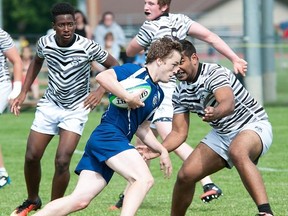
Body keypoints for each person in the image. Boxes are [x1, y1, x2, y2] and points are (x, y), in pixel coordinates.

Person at [110, 0, 248, 209]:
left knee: (169, 137)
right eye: (145, 2)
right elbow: (210, 37)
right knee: (145, 136)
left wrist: (142, 44)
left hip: (162, 91)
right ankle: (127, 194)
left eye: (151, 3)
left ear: (164, 6)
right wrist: (234, 58)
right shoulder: (181, 21)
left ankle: (207, 183)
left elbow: (130, 49)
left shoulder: (150, 27)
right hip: (172, 86)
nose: (146, 6)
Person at [32, 36, 179, 216]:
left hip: (110, 140)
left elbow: (142, 128)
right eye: (174, 64)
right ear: (160, 61)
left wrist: (162, 150)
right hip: (109, 135)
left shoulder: (158, 93)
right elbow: (103, 76)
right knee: (143, 179)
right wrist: (127, 96)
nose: (177, 70)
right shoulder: (134, 71)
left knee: (79, 200)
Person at [141, 39, 274, 216]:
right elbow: (179, 133)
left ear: (194, 58)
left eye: (181, 62)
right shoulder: (180, 92)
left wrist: (216, 111)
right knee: (185, 176)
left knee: (238, 151)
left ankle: (265, 212)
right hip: (221, 134)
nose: (177, 69)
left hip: (252, 124)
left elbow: (228, 103)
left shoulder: (214, 72)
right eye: (174, 64)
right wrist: (157, 149)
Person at [10, 2, 118, 216]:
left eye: (70, 24)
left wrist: (100, 90)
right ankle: (33, 199)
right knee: (32, 156)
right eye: (62, 25)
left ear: (75, 24)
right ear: (54, 26)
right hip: (50, 104)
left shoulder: (88, 46)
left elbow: (115, 65)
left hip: (76, 108)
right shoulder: (45, 42)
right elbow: (36, 62)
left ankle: (53, 208)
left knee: (62, 161)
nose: (67, 28)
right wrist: (23, 92)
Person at [0, 28, 23, 189]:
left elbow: (17, 61)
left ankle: (2, 173)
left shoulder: (0, 34)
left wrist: (17, 89)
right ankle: (2, 172)